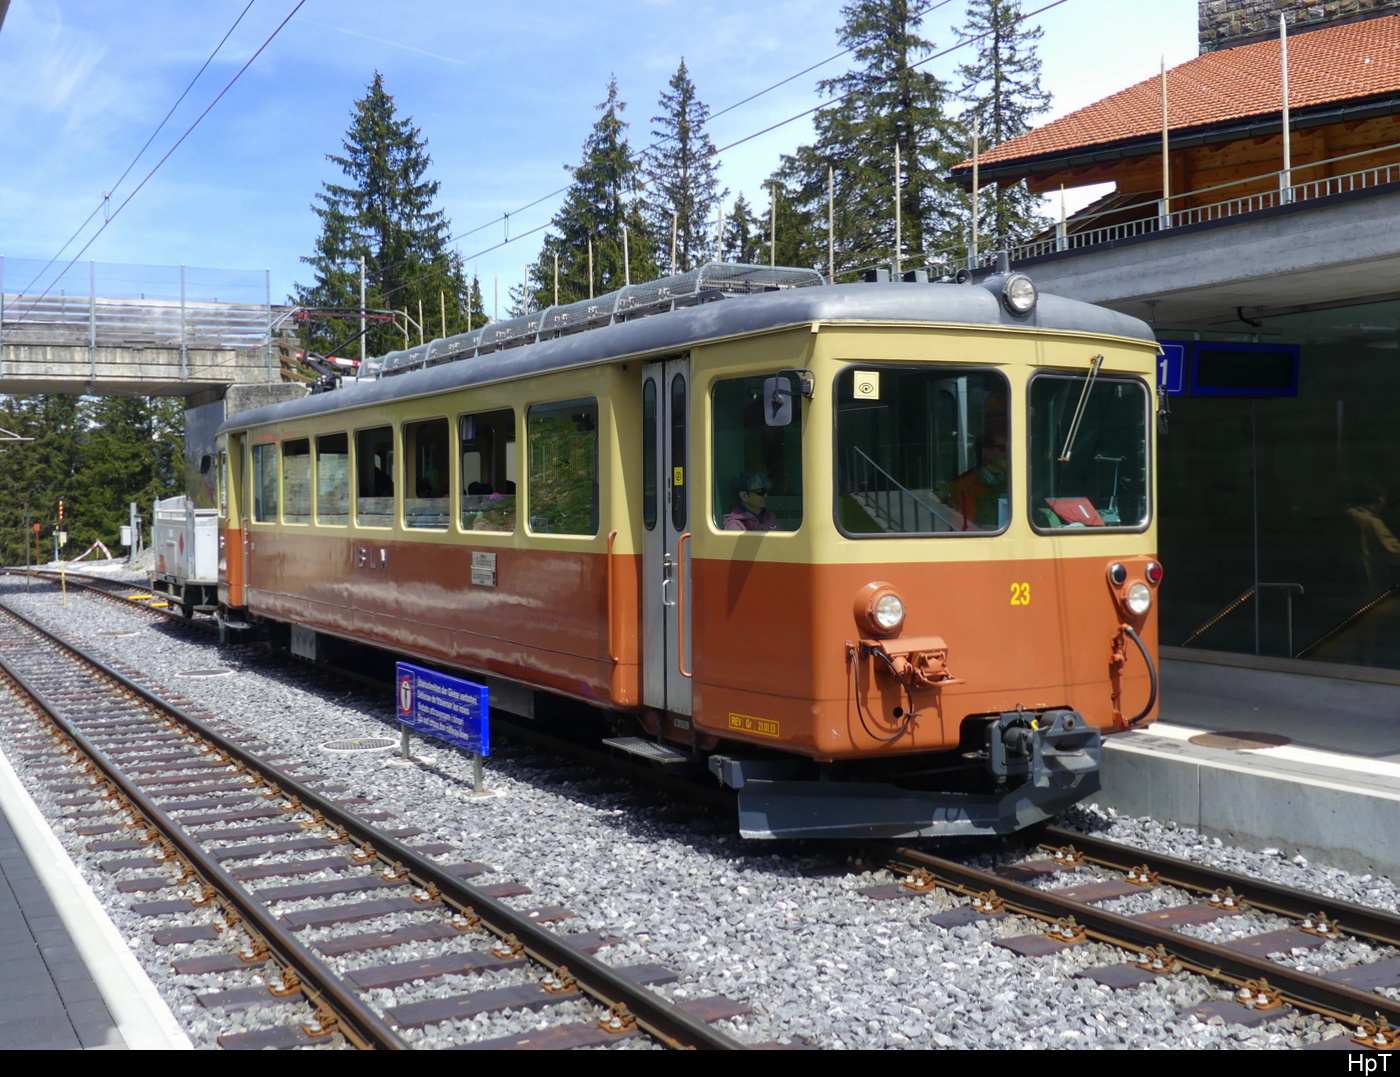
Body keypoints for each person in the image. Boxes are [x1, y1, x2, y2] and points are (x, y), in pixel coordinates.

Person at [1347, 485, 1400, 592]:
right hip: (1366, 586)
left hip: (1344, 584)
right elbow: (1394, 551)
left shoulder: (1346, 516)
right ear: (1381, 500)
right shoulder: (1372, 523)